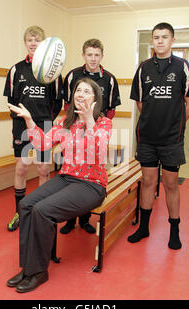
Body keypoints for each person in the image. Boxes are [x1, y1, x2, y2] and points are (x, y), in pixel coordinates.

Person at [6, 78, 112, 293]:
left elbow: (97, 152)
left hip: (91, 184)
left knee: (42, 211)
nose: (81, 94)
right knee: (26, 204)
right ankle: (27, 268)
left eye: (86, 91)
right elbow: (42, 144)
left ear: (95, 98)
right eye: (78, 90)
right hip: (67, 177)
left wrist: (89, 121)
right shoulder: (65, 122)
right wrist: (29, 120)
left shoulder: (103, 123)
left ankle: (38, 271)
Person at [128, 22, 189, 250]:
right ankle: (144, 227)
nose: (159, 41)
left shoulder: (183, 68)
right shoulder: (143, 68)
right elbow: (140, 103)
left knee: (170, 185)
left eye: (164, 37)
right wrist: (153, 120)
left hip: (171, 140)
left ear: (172, 41)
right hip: (147, 138)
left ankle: (174, 230)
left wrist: (173, 124)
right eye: (156, 37)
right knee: (148, 181)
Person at [3, 25, 63, 231]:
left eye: (37, 40)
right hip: (21, 127)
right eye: (30, 40)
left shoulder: (52, 72)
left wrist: (45, 121)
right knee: (21, 168)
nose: (33, 43)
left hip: (44, 125)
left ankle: (40, 212)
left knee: (43, 168)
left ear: (43, 43)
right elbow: (11, 100)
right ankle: (19, 213)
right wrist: (25, 120)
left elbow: (57, 102)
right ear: (25, 43)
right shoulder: (15, 70)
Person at [60, 38, 121, 235]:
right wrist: (73, 126)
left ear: (102, 56)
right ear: (83, 55)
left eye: (96, 55)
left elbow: (111, 109)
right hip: (74, 131)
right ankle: (69, 221)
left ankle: (85, 218)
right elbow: (68, 105)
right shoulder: (72, 76)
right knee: (72, 172)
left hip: (96, 132)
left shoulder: (110, 79)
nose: (93, 59)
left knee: (89, 175)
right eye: (89, 54)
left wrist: (97, 123)